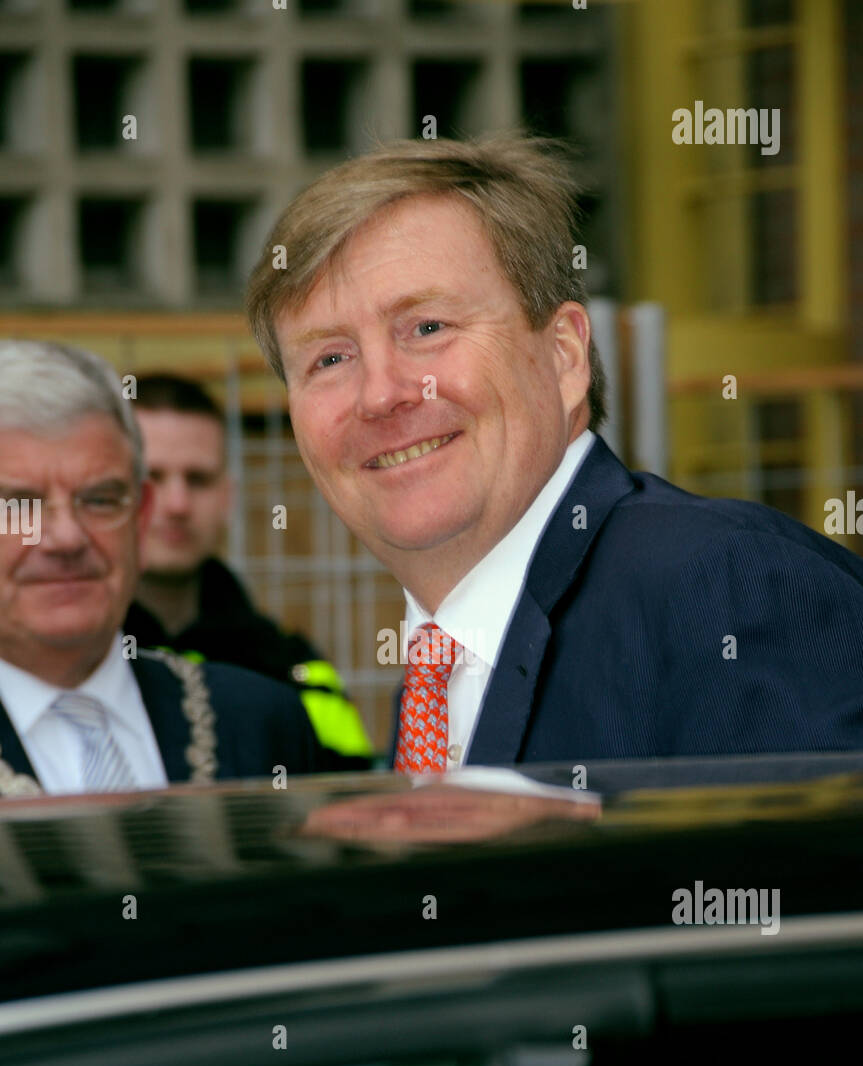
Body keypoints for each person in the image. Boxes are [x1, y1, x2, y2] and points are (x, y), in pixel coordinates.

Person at [245, 132, 863, 770]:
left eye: (428, 328)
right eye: (330, 358)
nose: (380, 394)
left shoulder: (724, 588)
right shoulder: (440, 674)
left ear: (564, 356)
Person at [0, 340, 325, 797]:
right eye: (20, 505)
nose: (67, 538)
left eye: (98, 500)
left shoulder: (258, 720)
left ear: (140, 516)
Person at [125, 373, 373, 768]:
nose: (177, 503)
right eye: (152, 478)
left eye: (198, 479)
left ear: (228, 496)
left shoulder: (293, 669)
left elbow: (351, 809)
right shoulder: (69, 657)